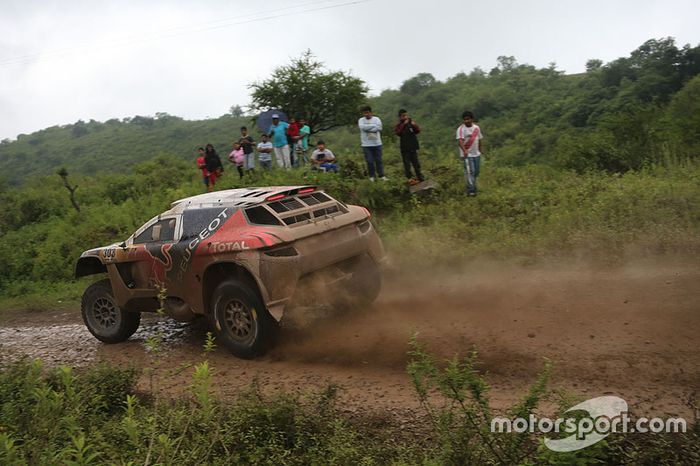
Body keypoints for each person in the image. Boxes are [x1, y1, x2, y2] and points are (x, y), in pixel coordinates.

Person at [456, 110, 484, 196]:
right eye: (464, 119)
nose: (466, 121)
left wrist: (480, 150)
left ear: (472, 119)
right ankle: (471, 190)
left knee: (476, 172)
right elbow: (460, 141)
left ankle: (472, 186)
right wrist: (464, 151)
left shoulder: (476, 128)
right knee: (470, 171)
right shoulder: (461, 129)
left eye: (468, 119)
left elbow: (479, 139)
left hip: (476, 154)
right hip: (467, 155)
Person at [394, 109, 424, 185]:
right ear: (400, 117)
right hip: (405, 148)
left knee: (416, 164)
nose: (405, 117)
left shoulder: (411, 123)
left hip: (413, 147)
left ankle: (420, 178)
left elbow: (418, 131)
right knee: (407, 165)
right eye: (403, 116)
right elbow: (398, 133)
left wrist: (415, 125)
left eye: (406, 115)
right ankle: (410, 179)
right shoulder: (399, 125)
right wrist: (404, 124)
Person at [358, 105, 387, 181]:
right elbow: (362, 128)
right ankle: (372, 176)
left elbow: (379, 128)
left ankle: (381, 176)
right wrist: (374, 126)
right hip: (366, 145)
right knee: (370, 161)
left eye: (367, 113)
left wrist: (369, 128)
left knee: (379, 160)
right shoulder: (361, 120)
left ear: (371, 112)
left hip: (377, 144)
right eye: (364, 113)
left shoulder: (377, 119)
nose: (366, 114)